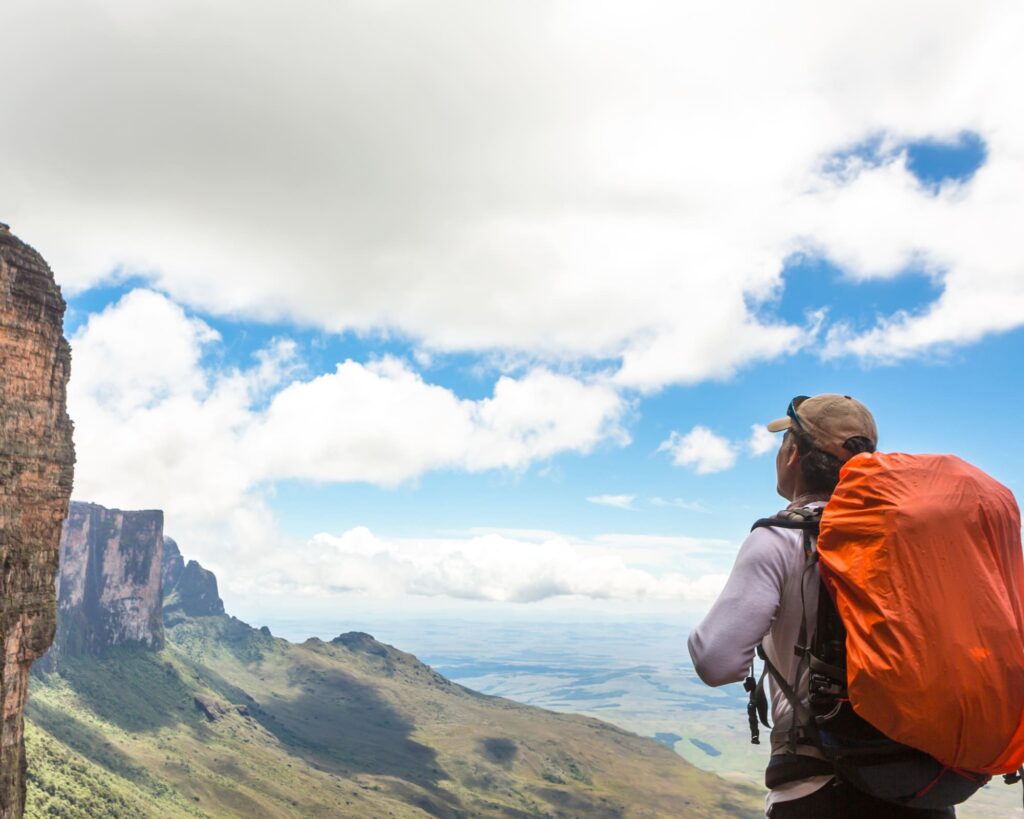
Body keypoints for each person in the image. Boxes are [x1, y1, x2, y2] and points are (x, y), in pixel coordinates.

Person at [687, 394, 955, 818]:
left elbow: (716, 661)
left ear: (793, 454)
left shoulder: (781, 538)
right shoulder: (913, 543)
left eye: (783, 443)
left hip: (819, 787)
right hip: (921, 785)